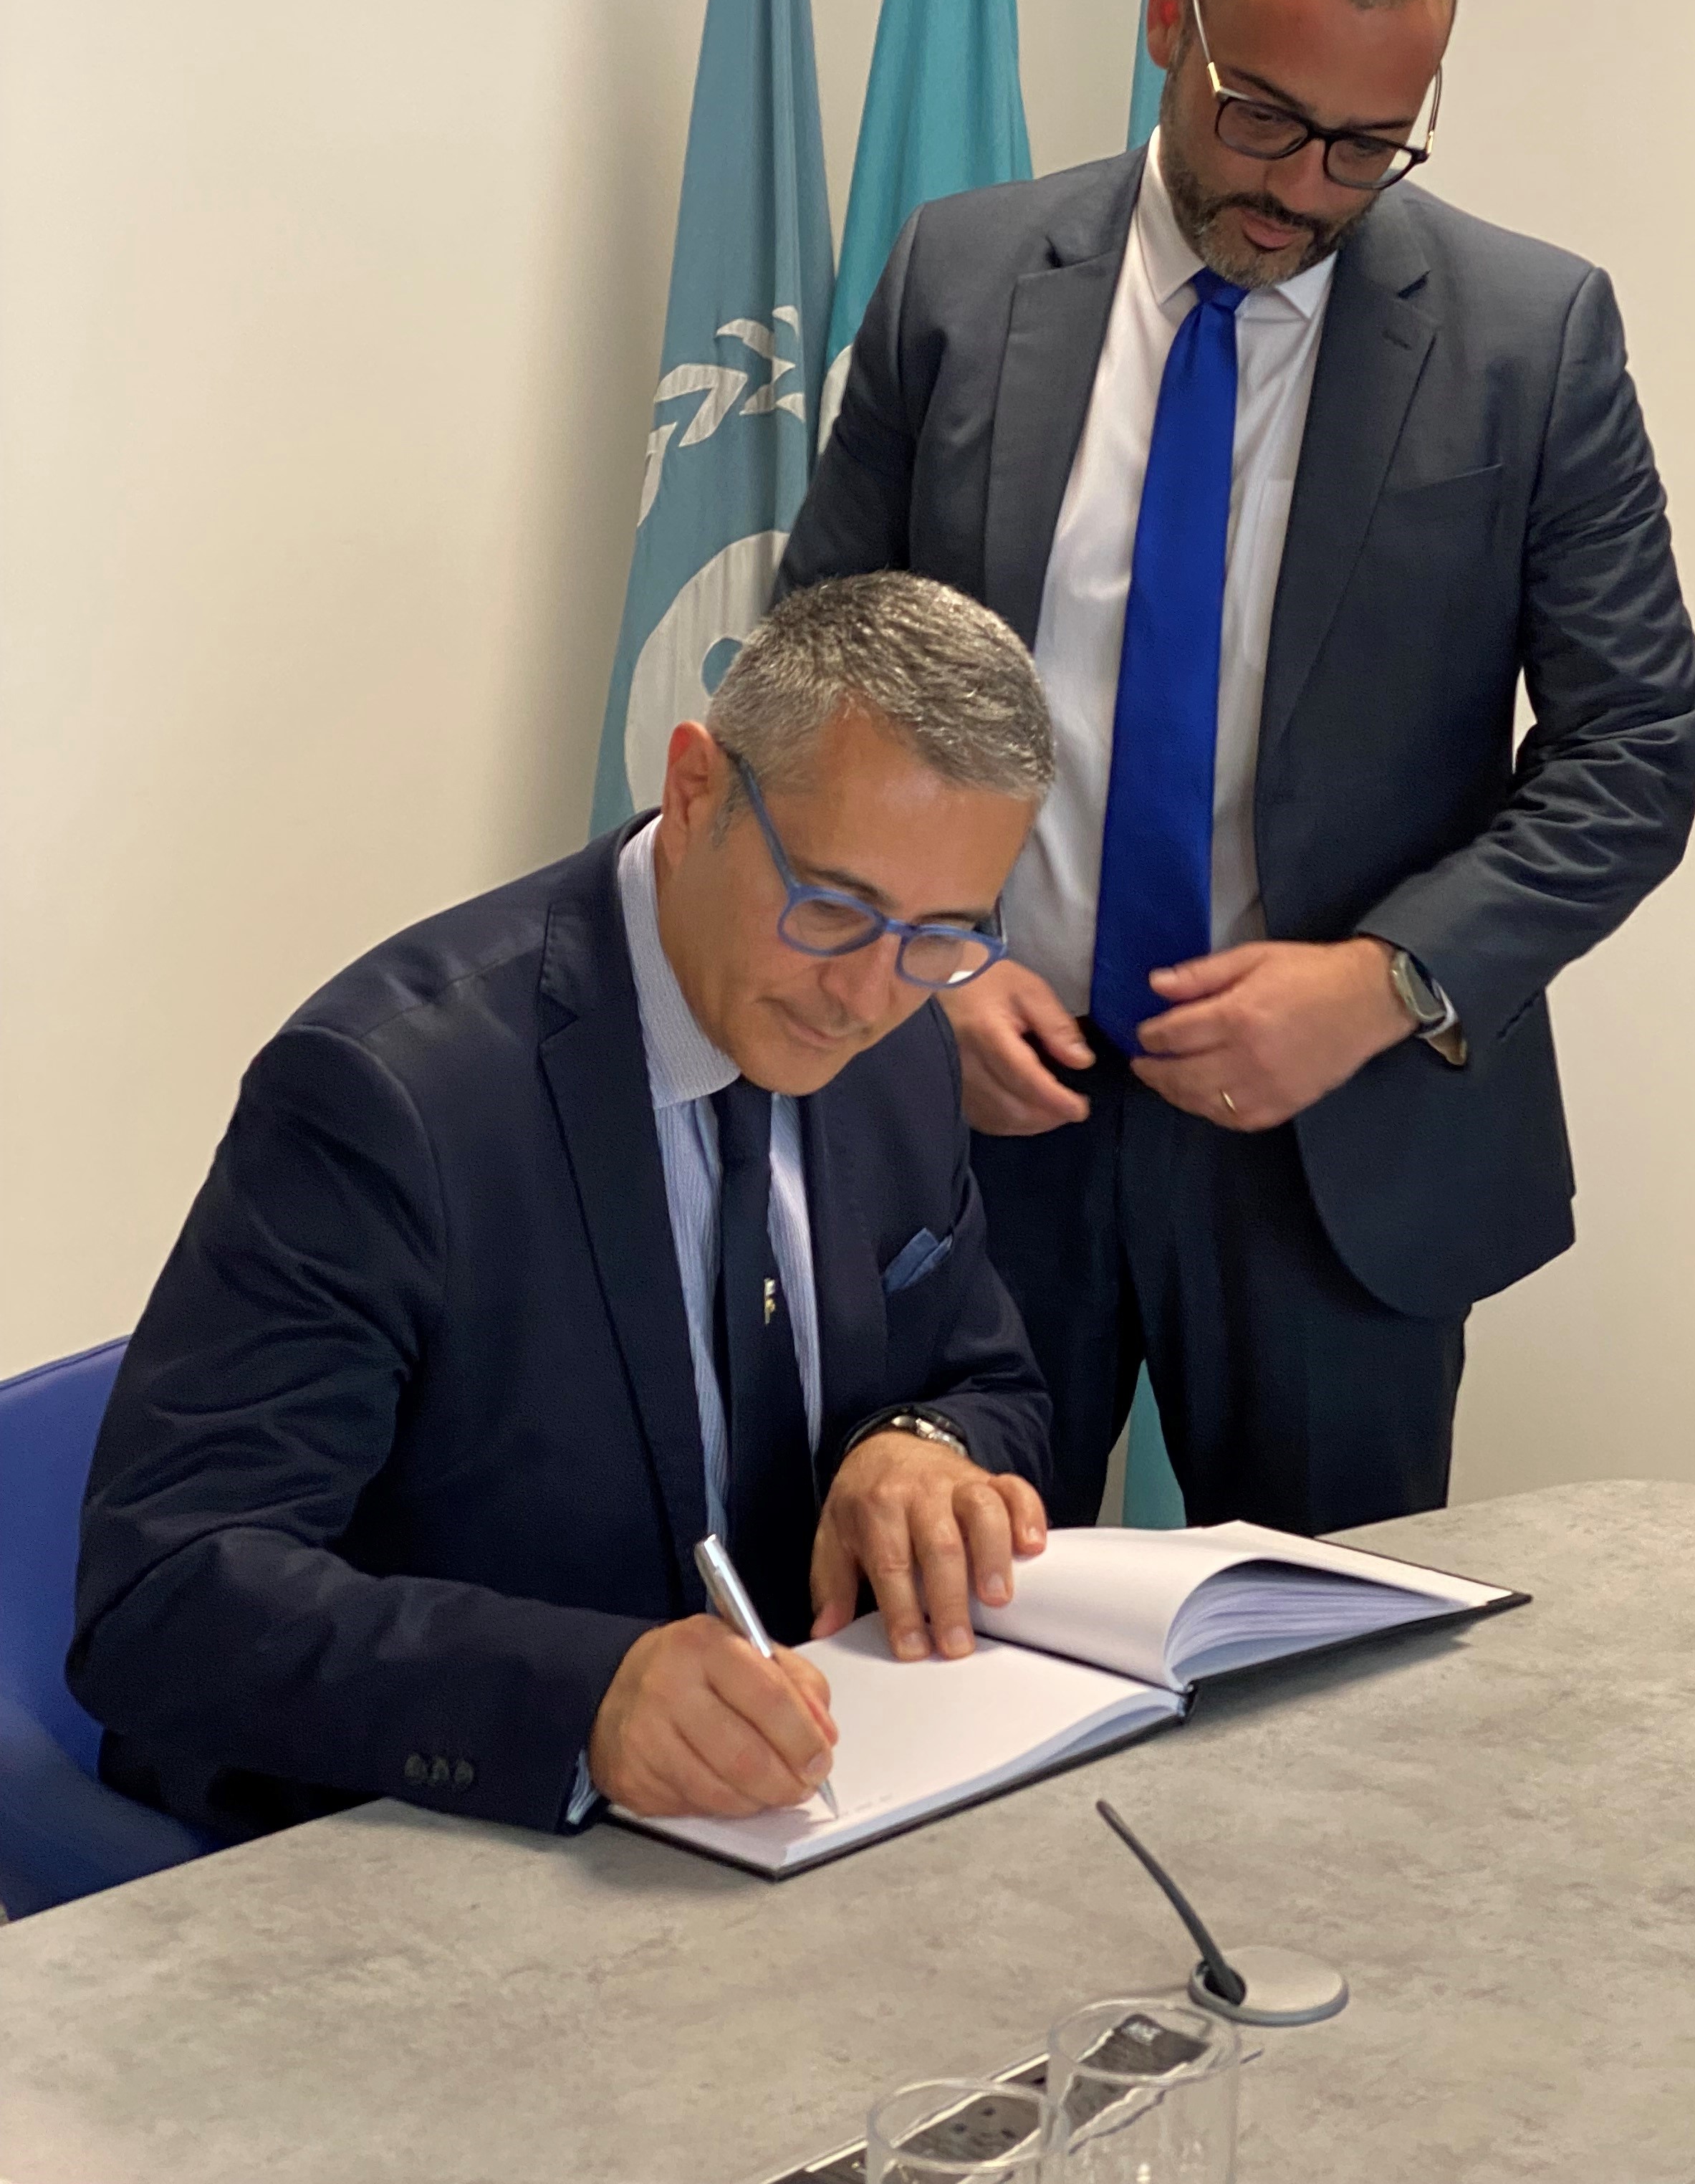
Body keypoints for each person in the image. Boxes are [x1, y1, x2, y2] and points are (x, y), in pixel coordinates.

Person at [781, 0, 1695, 1536]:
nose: (1302, 188)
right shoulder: (959, 281)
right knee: (939, 1633)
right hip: (979, 1111)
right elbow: (821, 665)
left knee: (1328, 1678)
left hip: (1338, 1154)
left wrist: (1387, 982)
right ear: (1172, 21)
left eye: (1369, 146)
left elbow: (1638, 745)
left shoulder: (1531, 337)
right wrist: (932, 979)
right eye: (1264, 118)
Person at [72, 574, 1058, 1843]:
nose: (869, 995)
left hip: (810, 1811)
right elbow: (166, 1594)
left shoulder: (902, 1049)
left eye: (942, 936)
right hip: (442, 1838)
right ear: (694, 792)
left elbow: (993, 1382)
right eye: (830, 907)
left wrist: (924, 1444)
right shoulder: (388, 1097)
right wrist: (583, 1699)